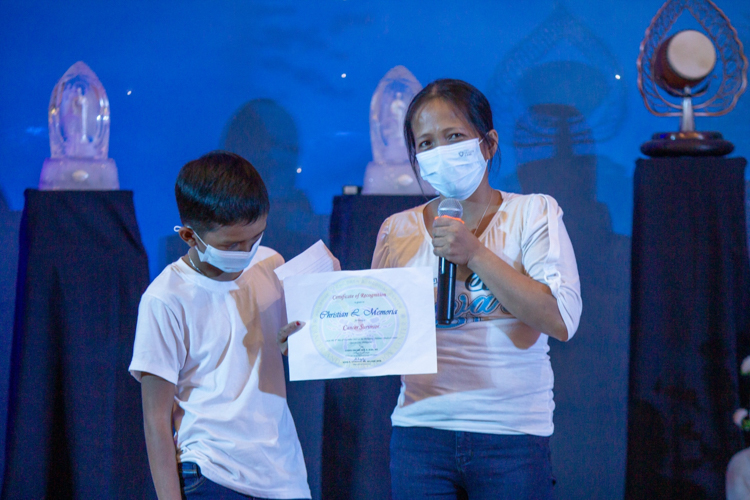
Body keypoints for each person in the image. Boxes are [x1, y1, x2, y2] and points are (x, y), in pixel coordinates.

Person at [371, 79, 582, 499]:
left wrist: (477, 254)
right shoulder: (397, 230)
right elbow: (379, 338)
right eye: (426, 144)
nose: (439, 152)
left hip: (512, 438)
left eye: (454, 137)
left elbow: (560, 320)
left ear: (487, 144)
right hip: (420, 434)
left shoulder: (533, 212)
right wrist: (323, 326)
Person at [128, 151, 311, 500]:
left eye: (255, 237)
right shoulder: (166, 298)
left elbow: (276, 350)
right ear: (188, 236)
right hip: (210, 475)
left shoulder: (270, 263)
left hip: (283, 473)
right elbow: (155, 420)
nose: (246, 251)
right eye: (231, 244)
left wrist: (294, 343)